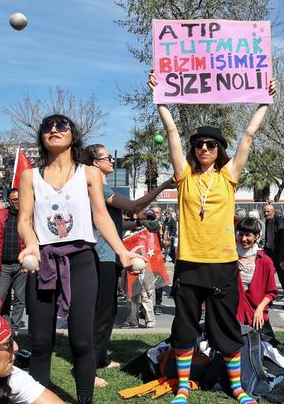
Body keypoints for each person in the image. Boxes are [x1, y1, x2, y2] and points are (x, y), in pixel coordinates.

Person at [149, 71, 275, 404]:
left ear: (219, 150)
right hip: (190, 265)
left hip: (222, 265)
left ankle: (237, 387)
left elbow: (248, 136)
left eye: (211, 144)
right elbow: (172, 132)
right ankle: (183, 387)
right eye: (199, 144)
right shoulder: (184, 176)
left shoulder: (229, 176)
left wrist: (264, 102)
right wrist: (161, 100)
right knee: (184, 328)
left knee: (225, 328)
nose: (204, 148)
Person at [16, 114, 143, 404]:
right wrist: (32, 245)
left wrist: (122, 251)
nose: (54, 130)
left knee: (82, 341)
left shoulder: (89, 173)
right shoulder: (29, 176)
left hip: (82, 261)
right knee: (41, 342)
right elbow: (24, 220)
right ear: (41, 136)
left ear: (73, 135)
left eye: (61, 126)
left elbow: (101, 216)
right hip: (43, 261)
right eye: (47, 126)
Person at [84, 143, 174, 388]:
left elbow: (115, 223)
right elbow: (134, 206)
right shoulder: (98, 187)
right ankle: (89, 367)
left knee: (109, 310)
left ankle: (101, 358)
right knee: (102, 313)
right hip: (101, 257)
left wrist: (137, 224)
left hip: (109, 256)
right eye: (107, 157)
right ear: (95, 163)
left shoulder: (103, 187)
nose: (112, 161)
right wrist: (163, 186)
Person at [0, 189, 26, 330]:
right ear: (9, 201)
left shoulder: (27, 216)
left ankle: (14, 327)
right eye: (14, 199)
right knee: (0, 296)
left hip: (22, 265)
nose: (17, 201)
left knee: (20, 298)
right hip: (2, 264)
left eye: (19, 198)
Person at [235, 218, 277, 343]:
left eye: (248, 235)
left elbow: (271, 292)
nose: (243, 239)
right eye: (241, 234)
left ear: (257, 237)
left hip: (257, 316)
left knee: (269, 348)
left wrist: (260, 309)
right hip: (235, 316)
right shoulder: (230, 258)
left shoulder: (265, 261)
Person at [262, 205, 284, 307]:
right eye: (265, 212)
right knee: (267, 272)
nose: (266, 214)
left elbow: (282, 238)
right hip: (269, 249)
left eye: (268, 212)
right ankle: (268, 294)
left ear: (273, 212)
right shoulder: (267, 221)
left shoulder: (279, 221)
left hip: (278, 251)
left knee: (282, 274)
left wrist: (281, 256)